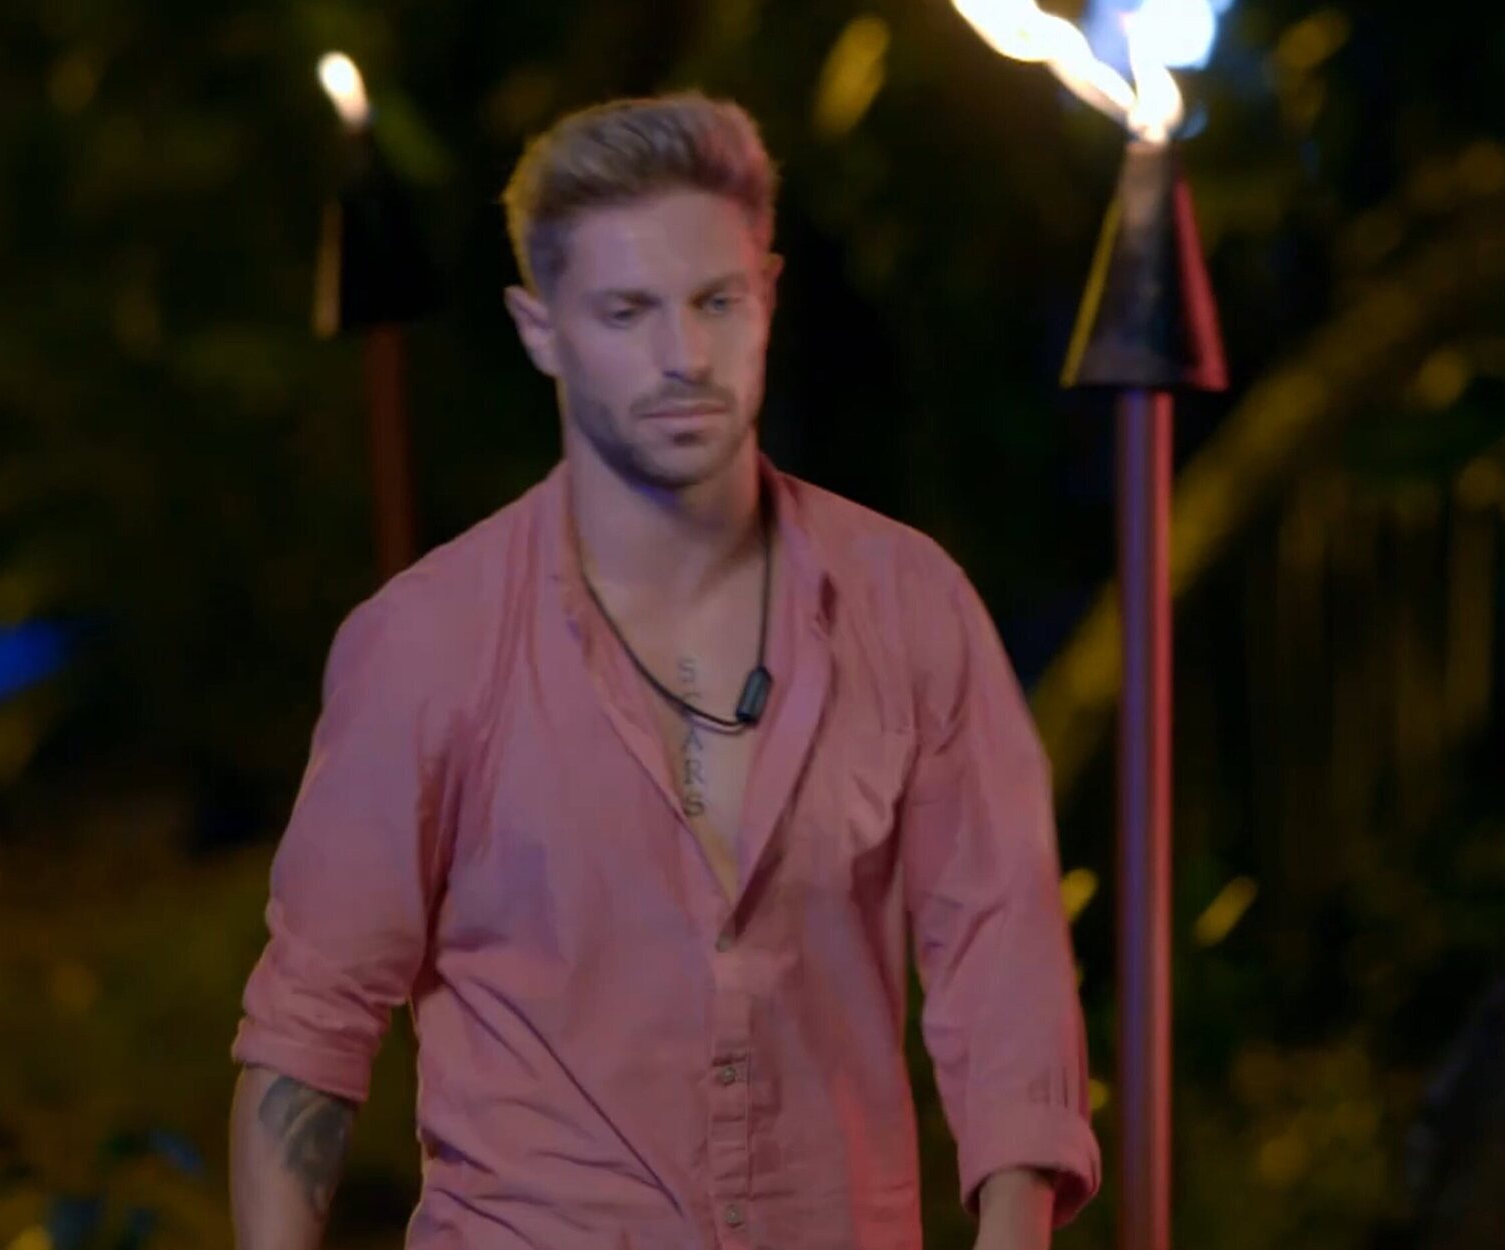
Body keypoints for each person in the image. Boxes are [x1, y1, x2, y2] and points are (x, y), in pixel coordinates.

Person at [227, 92, 1099, 1250]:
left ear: (768, 296)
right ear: (539, 328)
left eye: (714, 301)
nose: (682, 356)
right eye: (626, 311)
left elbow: (1003, 965)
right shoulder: (430, 641)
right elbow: (312, 1020)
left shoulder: (906, 604)